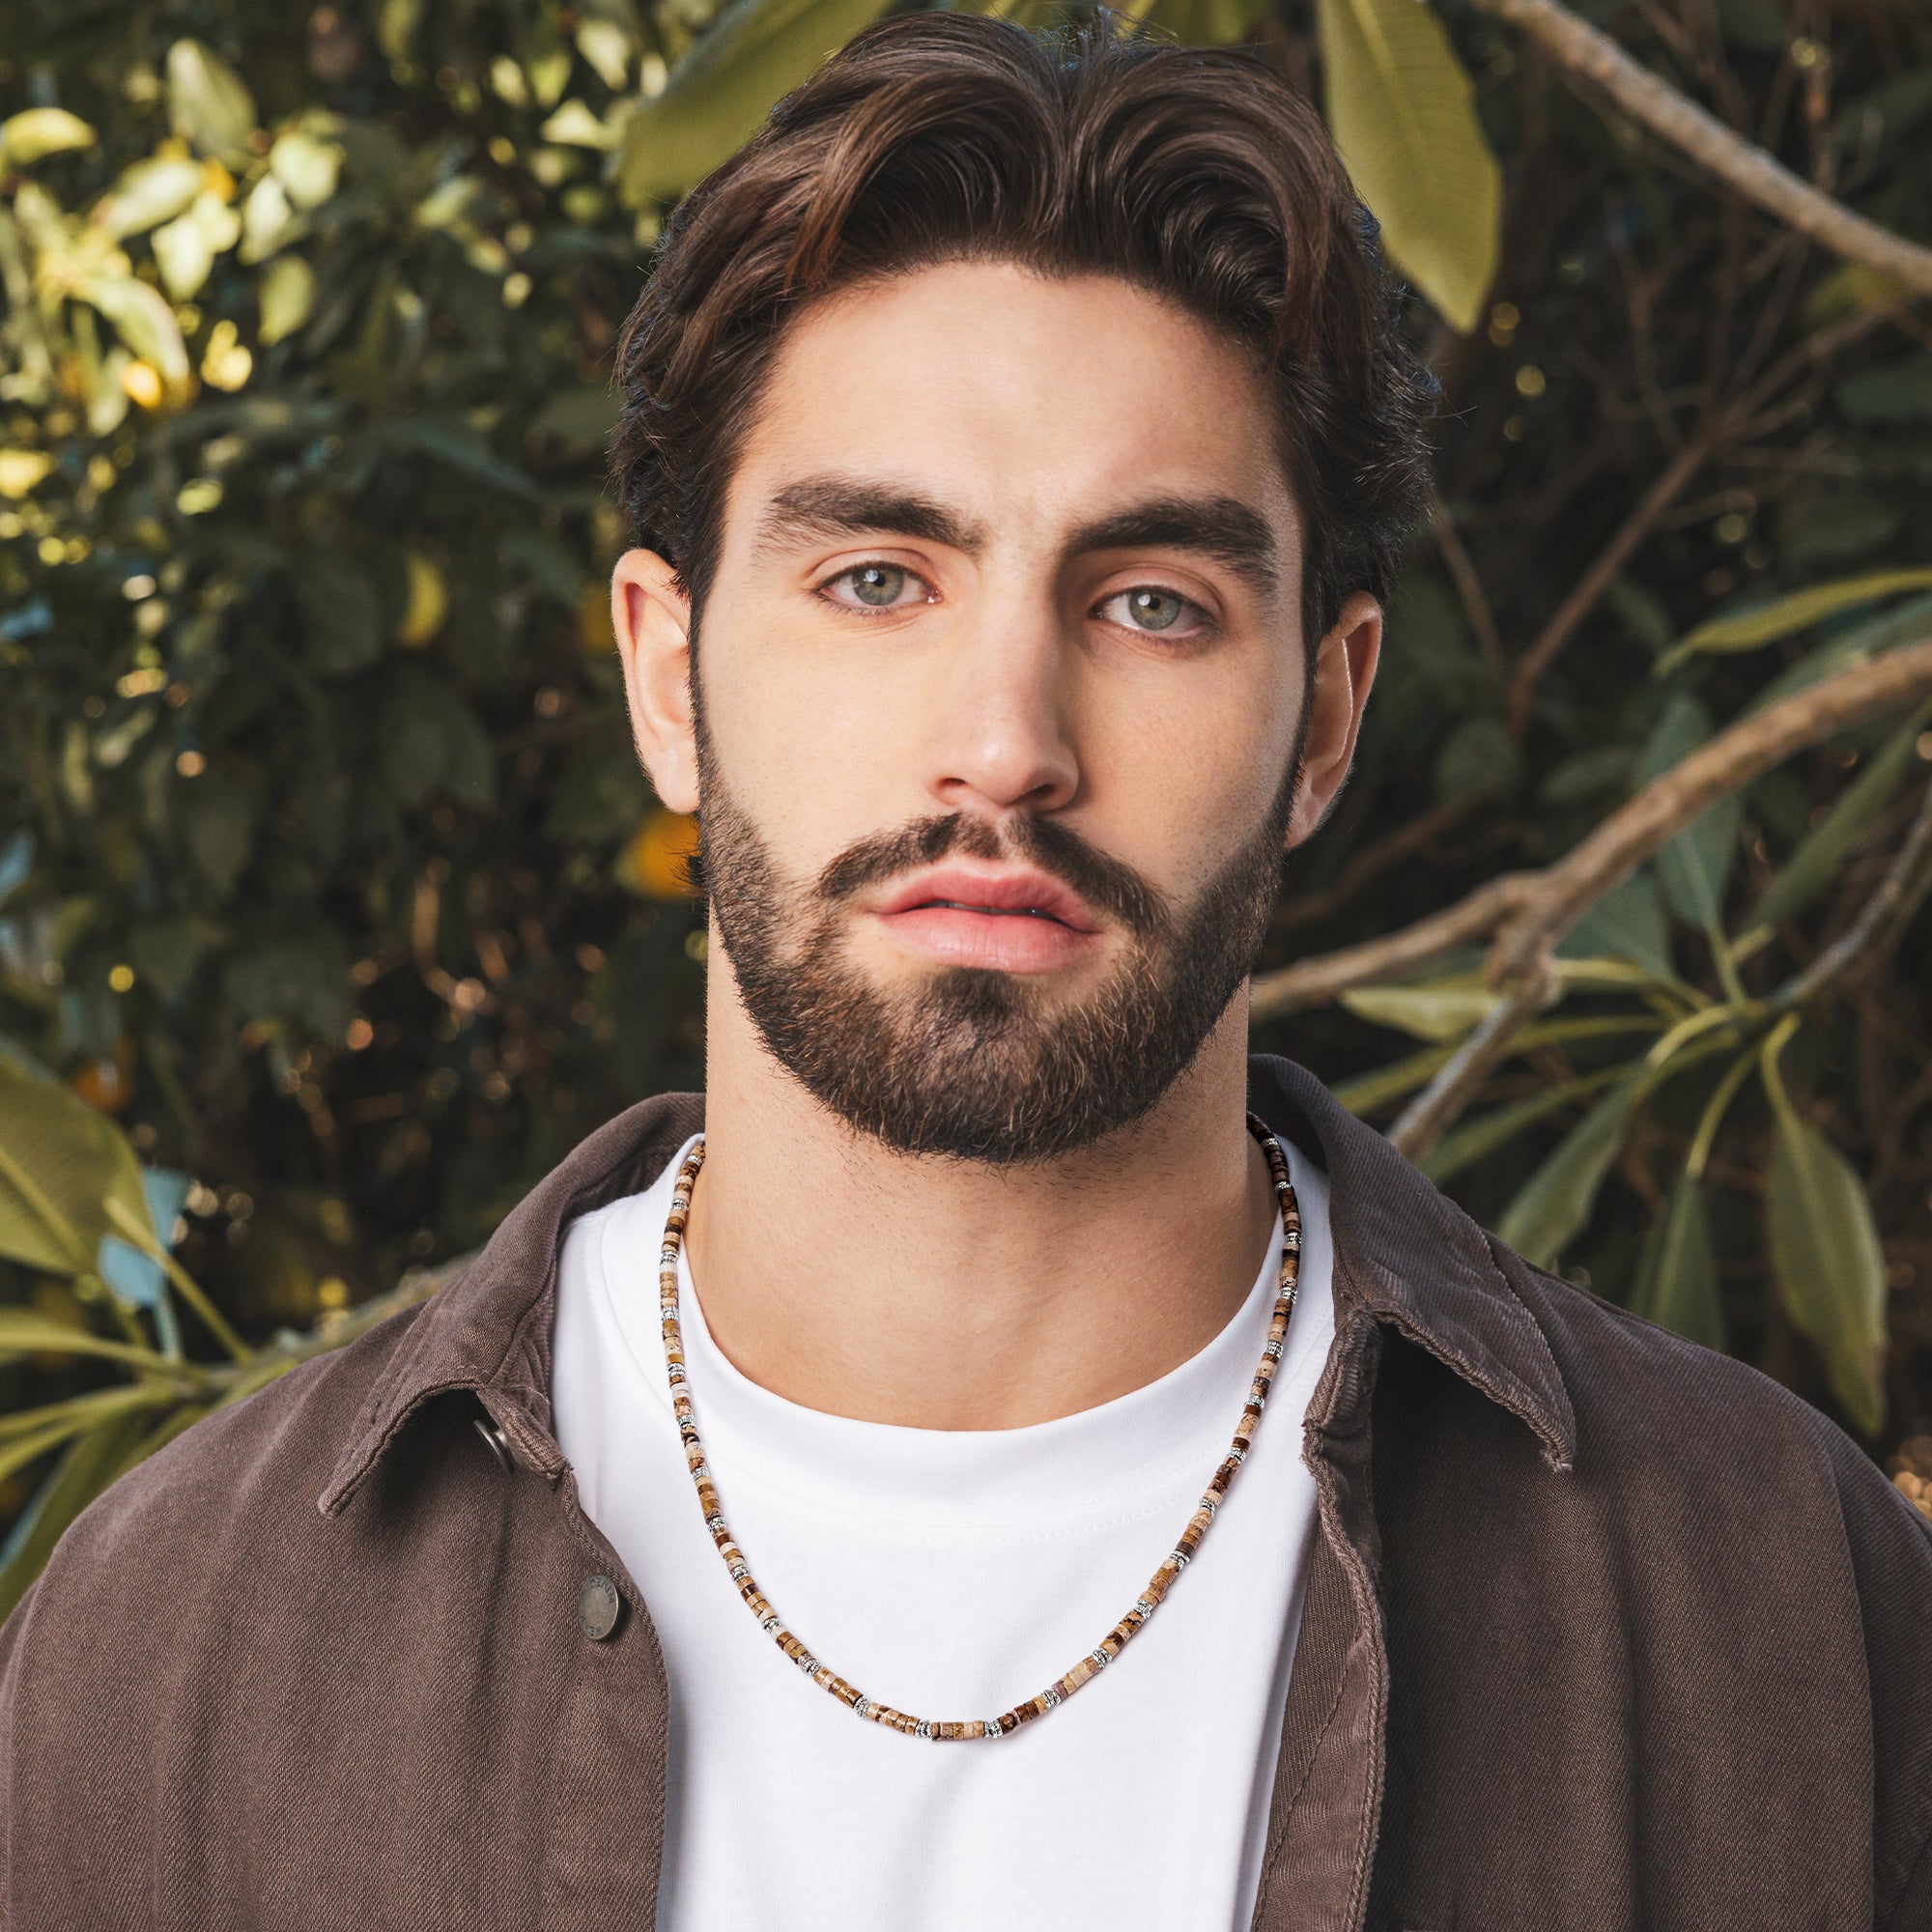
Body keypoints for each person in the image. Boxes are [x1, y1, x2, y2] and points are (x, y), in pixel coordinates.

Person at [2, 14, 1928, 1931]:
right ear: (668, 679)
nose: (1006, 738)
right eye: (876, 579)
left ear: (1324, 722)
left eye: (1150, 603)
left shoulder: (1779, 1613)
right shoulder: (171, 1644)